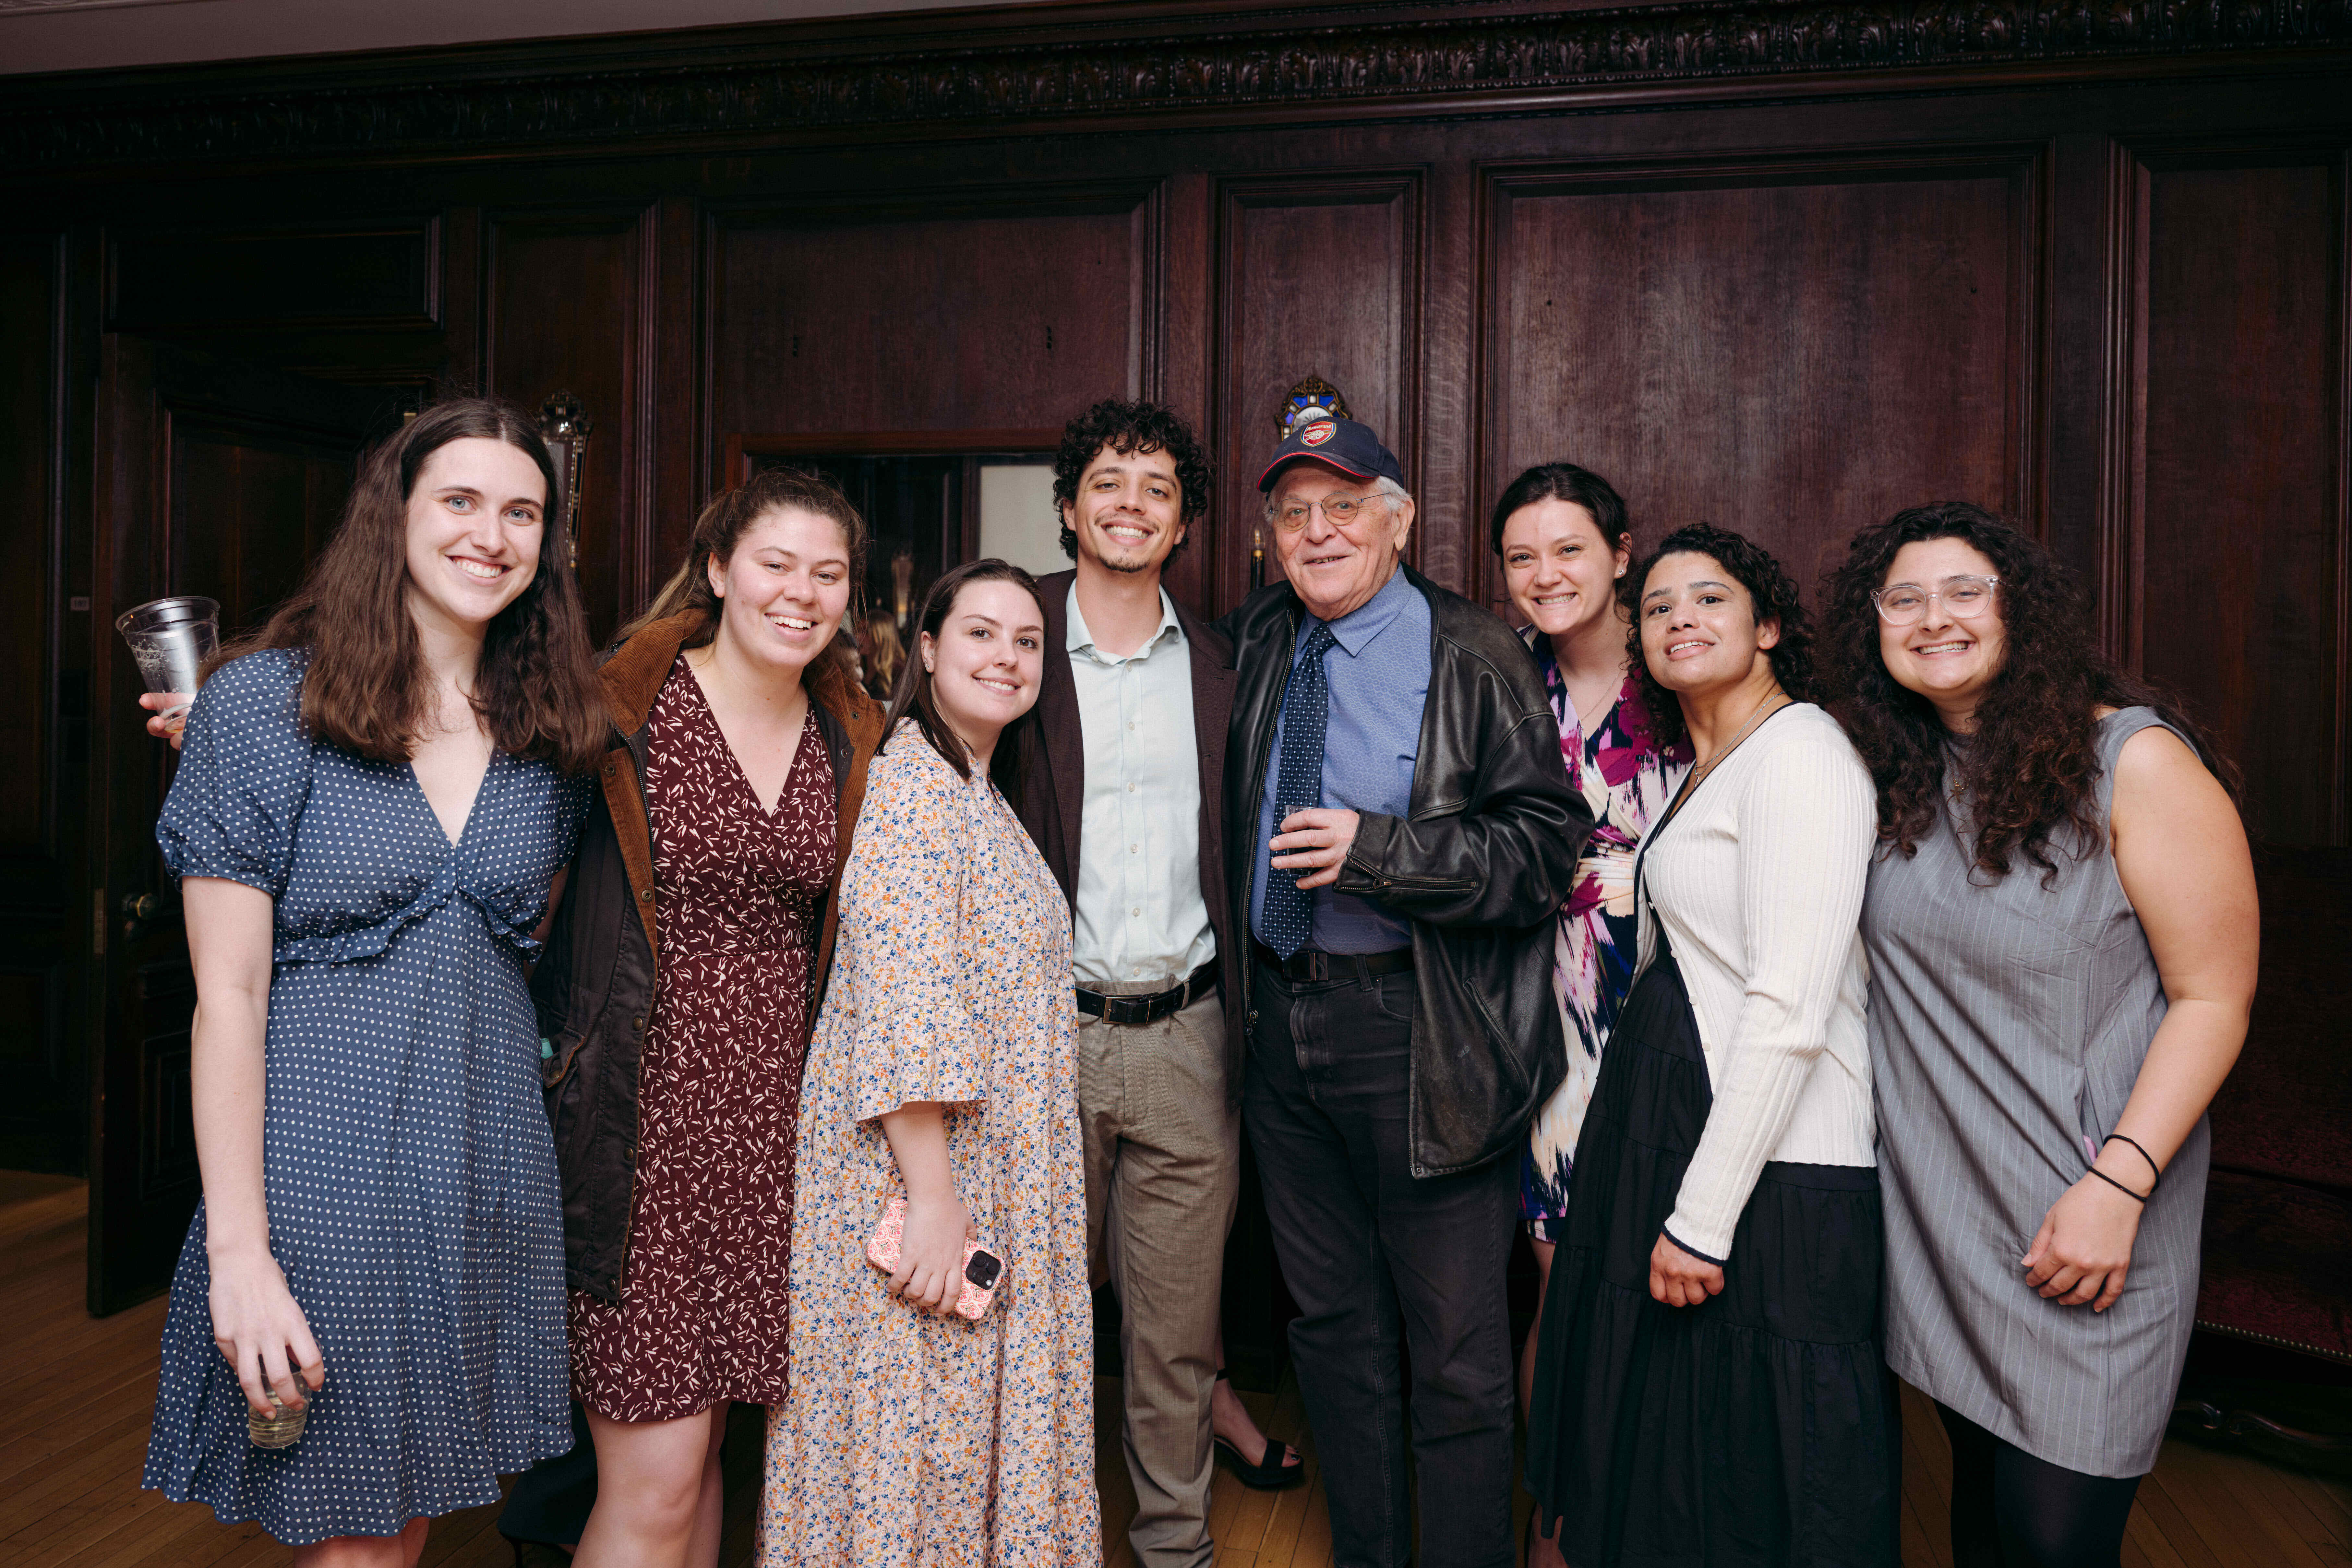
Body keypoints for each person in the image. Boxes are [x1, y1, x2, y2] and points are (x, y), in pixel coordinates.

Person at [139, 399, 606, 1565]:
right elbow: (229, 999)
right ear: (393, 514)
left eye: (522, 513)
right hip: (324, 1173)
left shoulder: (551, 730)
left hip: (487, 1166)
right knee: (356, 1539)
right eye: (461, 500)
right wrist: (241, 1255)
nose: (490, 535)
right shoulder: (264, 706)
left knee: (402, 1525)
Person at [1822, 503, 2255, 1568]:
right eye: (1903, 598)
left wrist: (2119, 1183)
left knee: (2052, 1539)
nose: (1933, 618)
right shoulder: (1898, 775)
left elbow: (2212, 998)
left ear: (2021, 609)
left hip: (2093, 1207)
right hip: (1945, 1215)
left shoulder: (2132, 761)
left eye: (1963, 591)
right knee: (1985, 1519)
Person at [1220, 417, 1588, 1568]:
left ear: (1398, 519)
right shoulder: (1258, 639)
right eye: (1293, 513)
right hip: (1279, 1024)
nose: (1317, 532)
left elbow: (1541, 852)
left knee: (1458, 1352)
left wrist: (1380, 851)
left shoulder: (1473, 651)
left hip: (1421, 1030)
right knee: (1333, 1331)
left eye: (1343, 506)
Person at [525, 466, 885, 1568]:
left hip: (779, 1139)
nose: (801, 593)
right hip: (639, 1133)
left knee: (710, 1457)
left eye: (827, 573)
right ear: (720, 568)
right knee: (655, 1477)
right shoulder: (619, 704)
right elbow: (463, 784)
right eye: (775, 564)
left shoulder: (851, 729)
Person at [1525, 521, 1898, 1568]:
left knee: (1763, 1468)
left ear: (1768, 625)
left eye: (1709, 599)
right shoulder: (1717, 760)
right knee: (1684, 1461)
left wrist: (1699, 1220)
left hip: (1774, 1170)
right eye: (1657, 607)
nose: (1678, 619)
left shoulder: (1803, 756)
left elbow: (1788, 1010)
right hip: (1690, 1138)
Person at [760, 559, 1099, 1564]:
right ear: (929, 648)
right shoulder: (912, 781)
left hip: (988, 1172)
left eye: (1027, 641)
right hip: (925, 1180)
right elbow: (906, 1004)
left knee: (950, 1445)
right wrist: (936, 1199)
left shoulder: (975, 787)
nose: (1007, 656)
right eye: (981, 633)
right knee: (918, 1451)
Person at [1006, 398, 1297, 1567]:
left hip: (1191, 1033)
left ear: (1184, 524)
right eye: (1108, 483)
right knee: (1026, 1321)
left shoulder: (1225, 665)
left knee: (1176, 1333)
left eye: (1158, 489)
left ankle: (1176, 1544)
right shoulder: (1011, 636)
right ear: (1068, 506)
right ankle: (1027, 1540)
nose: (1131, 505)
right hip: (1041, 1036)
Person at [1490, 463, 1689, 1568]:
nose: (1545, 574)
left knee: (1675, 1283)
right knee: (1566, 1287)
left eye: (1568, 548)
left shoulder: (1684, 665)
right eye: (1521, 555)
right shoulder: (1498, 676)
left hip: (1680, 1013)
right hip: (1547, 1017)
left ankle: (1651, 1524)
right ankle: (1558, 1525)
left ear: (1619, 554)